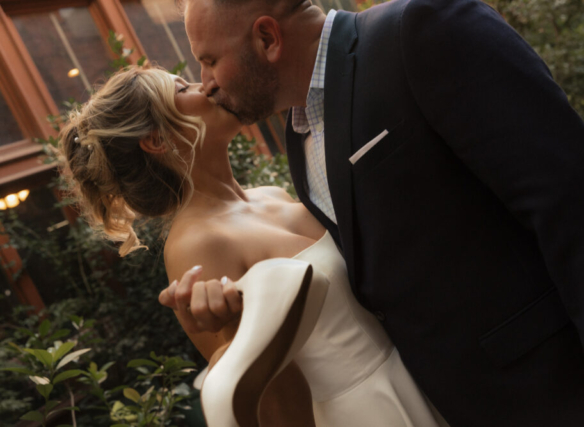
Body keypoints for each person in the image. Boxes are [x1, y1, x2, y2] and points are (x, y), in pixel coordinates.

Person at [171, 0, 584, 425]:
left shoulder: (421, 30)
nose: (206, 81)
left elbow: (580, 205)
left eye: (210, 60)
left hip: (575, 390)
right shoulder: (298, 132)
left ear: (268, 38)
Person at [57, 65, 444, 426]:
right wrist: (232, 335)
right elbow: (266, 408)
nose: (206, 85)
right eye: (183, 88)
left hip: (424, 372)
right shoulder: (196, 247)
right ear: (157, 140)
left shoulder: (271, 195)